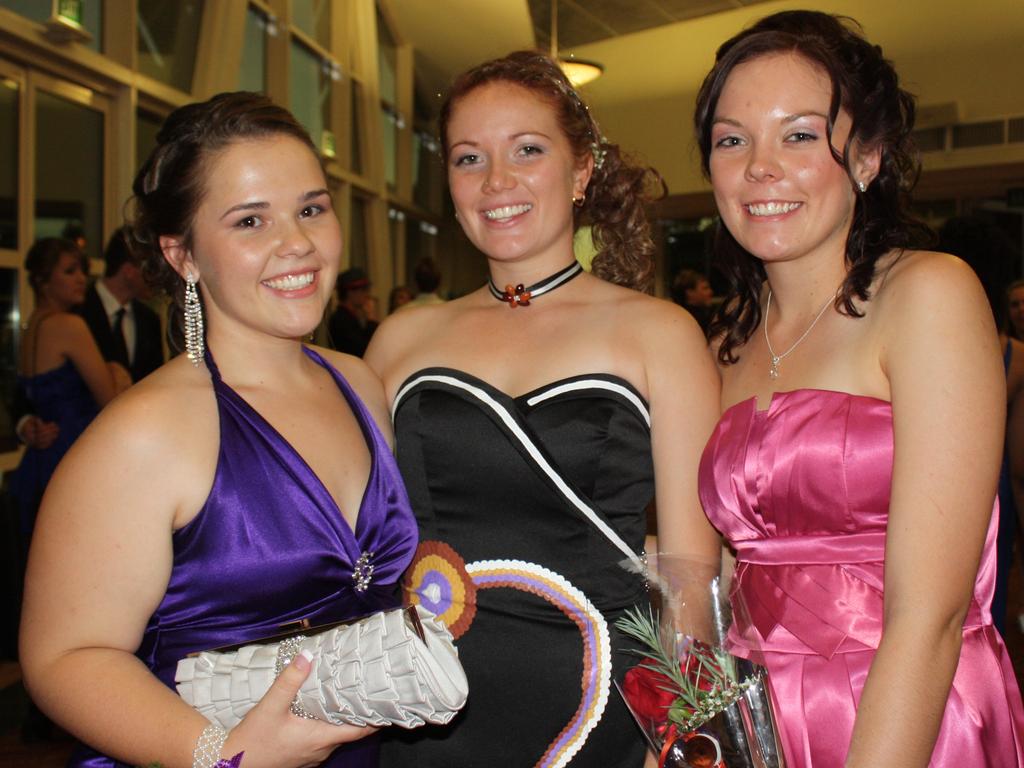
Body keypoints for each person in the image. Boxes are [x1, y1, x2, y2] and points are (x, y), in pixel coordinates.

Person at [19, 92, 418, 768]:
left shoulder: (360, 383)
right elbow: (63, 657)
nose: (297, 243)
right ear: (184, 256)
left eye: (311, 209)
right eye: (250, 220)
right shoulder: (147, 432)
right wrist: (222, 753)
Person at [366, 51, 720, 767]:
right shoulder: (400, 340)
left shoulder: (662, 334)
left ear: (581, 169)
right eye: (470, 158)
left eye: (527, 150)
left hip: (606, 710)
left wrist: (677, 742)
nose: (497, 182)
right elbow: (361, 544)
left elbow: (691, 576)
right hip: (426, 713)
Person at [694, 11, 1024, 766]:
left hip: (907, 715)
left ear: (869, 157)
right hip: (755, 731)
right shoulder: (719, 350)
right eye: (731, 139)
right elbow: (705, 589)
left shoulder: (927, 295)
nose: (759, 167)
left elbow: (931, 615)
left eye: (800, 135)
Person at [10, 238, 129, 542]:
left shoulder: (32, 325)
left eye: (82, 270)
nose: (81, 279)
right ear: (43, 281)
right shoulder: (69, 325)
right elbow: (110, 401)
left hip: (39, 464)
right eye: (69, 271)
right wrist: (118, 374)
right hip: (72, 460)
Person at [938, 214, 1024, 637]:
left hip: (936, 487)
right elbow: (1020, 456)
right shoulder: (1016, 356)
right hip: (995, 489)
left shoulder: (926, 335)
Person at [81, 226, 164, 381]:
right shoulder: (78, 311)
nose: (157, 278)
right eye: (151, 268)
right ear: (129, 271)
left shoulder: (149, 319)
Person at [329, 267, 378, 356]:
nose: (367, 294)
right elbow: (366, 349)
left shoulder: (348, 316)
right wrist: (371, 319)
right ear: (350, 292)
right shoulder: (341, 319)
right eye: (363, 290)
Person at [670, 268, 714, 333]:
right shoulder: (693, 319)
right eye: (705, 288)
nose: (711, 292)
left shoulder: (678, 313)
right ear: (690, 292)